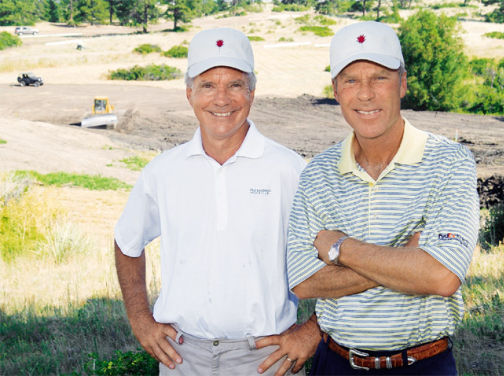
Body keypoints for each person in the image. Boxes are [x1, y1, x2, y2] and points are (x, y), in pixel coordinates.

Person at [114, 27, 320, 376]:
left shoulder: (289, 170)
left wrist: (311, 332)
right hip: (182, 358)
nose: (221, 99)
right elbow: (126, 242)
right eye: (208, 85)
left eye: (235, 85)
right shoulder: (164, 171)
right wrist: (140, 319)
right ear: (189, 94)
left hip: (268, 359)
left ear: (252, 93)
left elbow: (341, 260)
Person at [286, 21, 479, 375]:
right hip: (335, 363)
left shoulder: (449, 161)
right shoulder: (317, 173)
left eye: (379, 77)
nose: (365, 93)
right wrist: (407, 260)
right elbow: (304, 280)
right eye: (351, 80)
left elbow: (442, 276)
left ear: (402, 83)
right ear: (336, 90)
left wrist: (339, 248)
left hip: (422, 364)